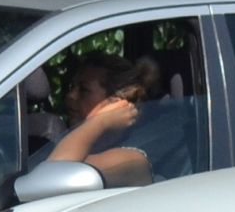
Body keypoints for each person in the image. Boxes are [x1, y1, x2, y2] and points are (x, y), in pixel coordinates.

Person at [47, 54, 158, 187]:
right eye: (72, 86)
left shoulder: (131, 160)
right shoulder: (81, 147)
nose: (71, 95)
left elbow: (53, 175)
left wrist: (101, 121)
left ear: (115, 104)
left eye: (84, 90)